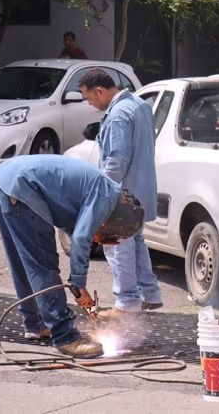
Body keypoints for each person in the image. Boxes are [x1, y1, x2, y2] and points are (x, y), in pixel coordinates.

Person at [0, 155, 144, 358]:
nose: (100, 239)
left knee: (24, 261)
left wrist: (93, 236)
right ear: (113, 221)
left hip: (6, 181)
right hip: (22, 187)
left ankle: (36, 324)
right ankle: (66, 337)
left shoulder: (103, 189)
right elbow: (81, 238)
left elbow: (77, 227)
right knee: (43, 264)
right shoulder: (107, 195)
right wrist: (78, 285)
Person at [78, 69, 161, 318]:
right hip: (141, 190)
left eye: (89, 98)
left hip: (122, 194)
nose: (90, 104)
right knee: (135, 242)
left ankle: (126, 302)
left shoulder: (118, 116)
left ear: (100, 91)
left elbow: (116, 160)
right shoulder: (140, 105)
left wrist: (102, 195)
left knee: (117, 246)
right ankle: (150, 294)